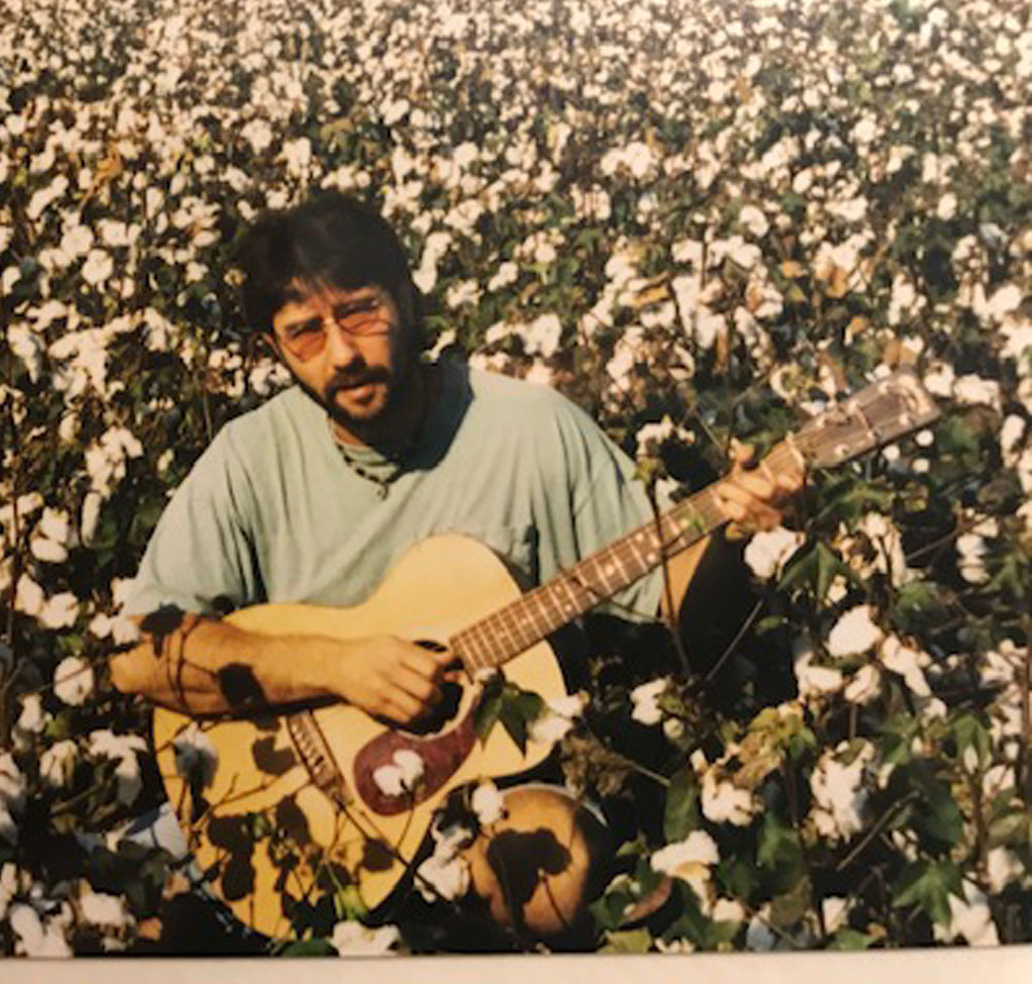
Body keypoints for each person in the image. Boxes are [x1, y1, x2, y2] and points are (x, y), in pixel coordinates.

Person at [107, 190, 803, 943]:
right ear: (272, 350)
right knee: (119, 919)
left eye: (362, 312)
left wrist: (736, 535)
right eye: (304, 333)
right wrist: (338, 666)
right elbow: (137, 655)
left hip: (490, 785)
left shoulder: (529, 427)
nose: (342, 353)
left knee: (557, 873)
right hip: (290, 792)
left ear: (409, 299)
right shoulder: (249, 457)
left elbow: (673, 597)